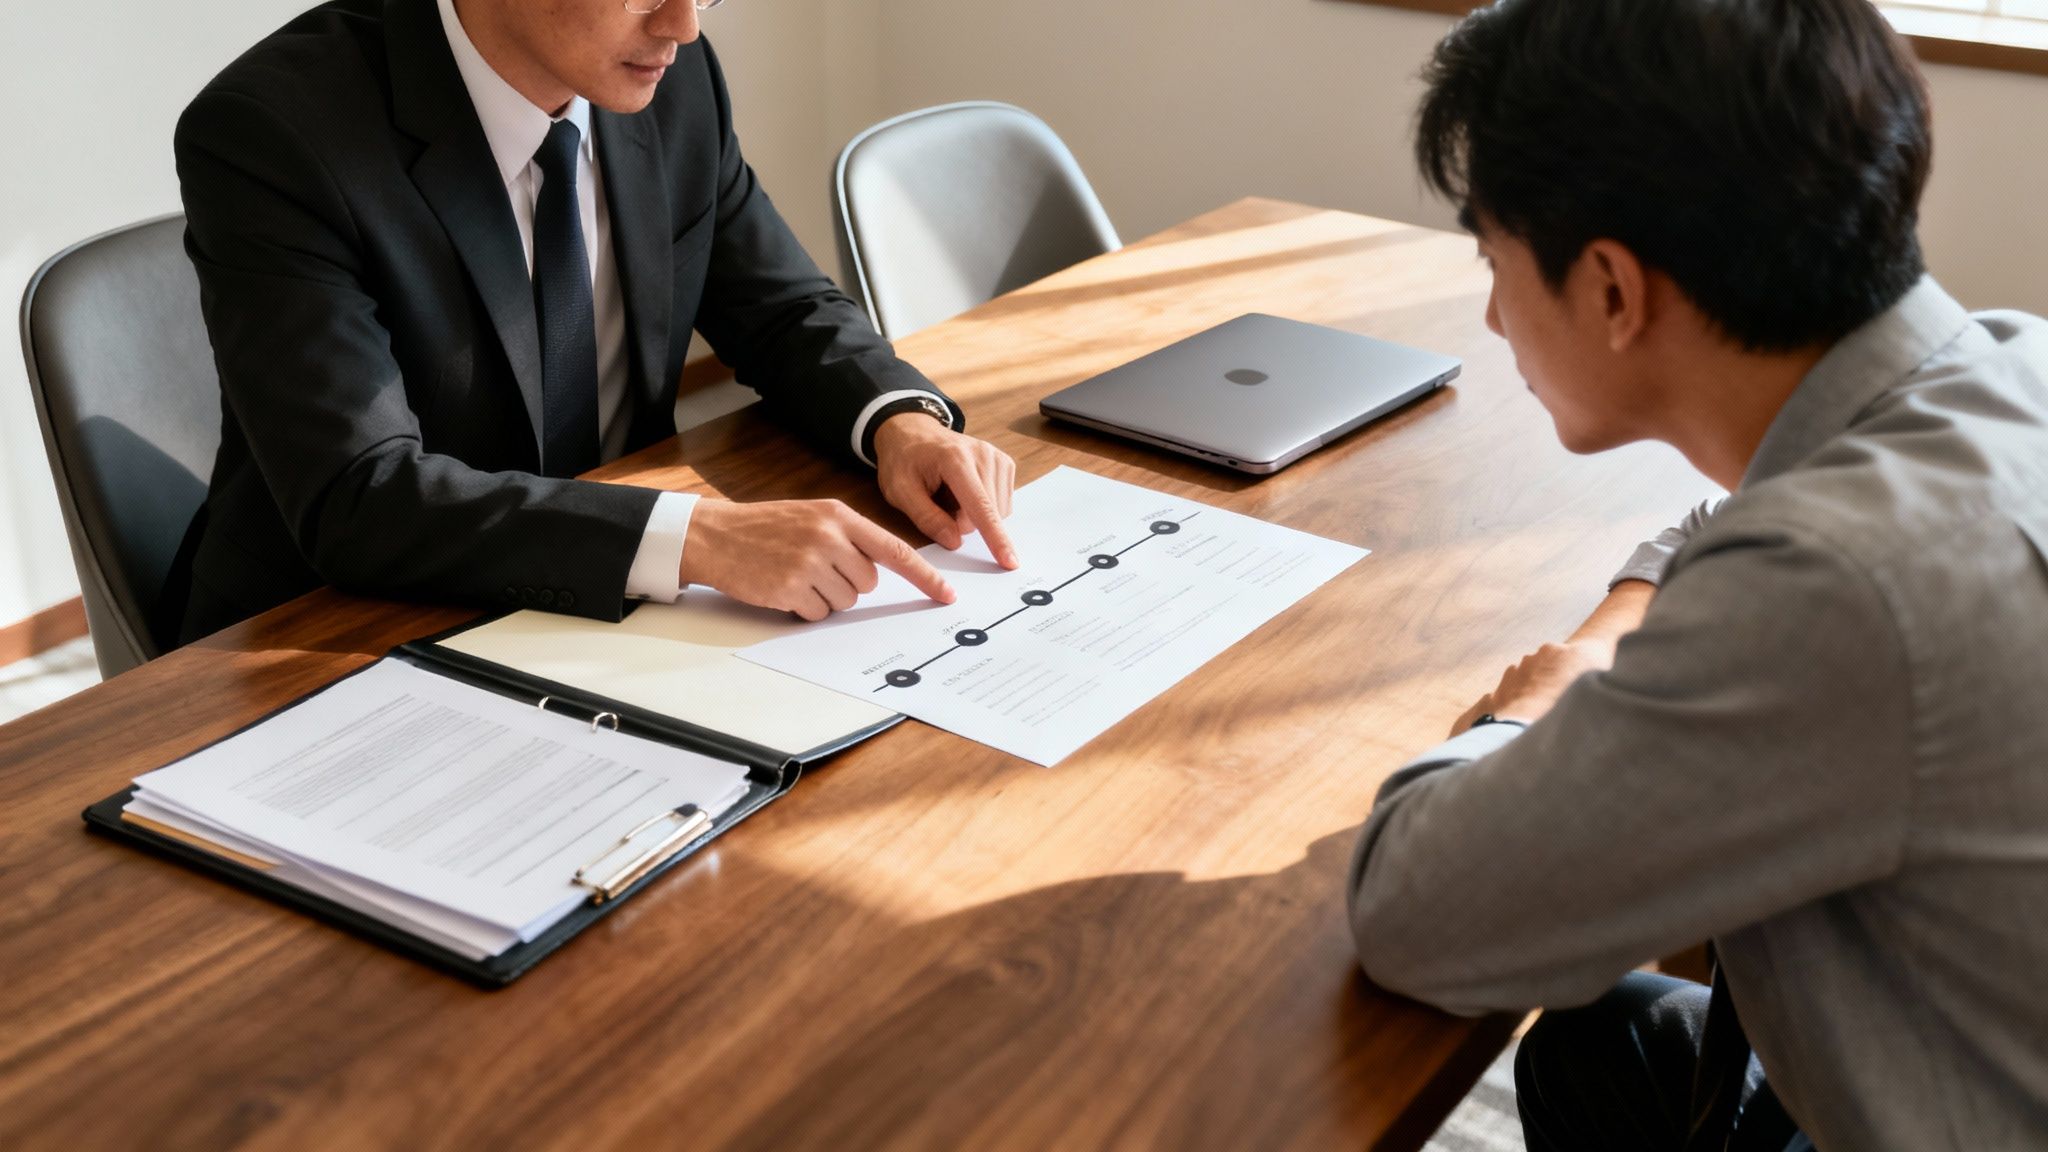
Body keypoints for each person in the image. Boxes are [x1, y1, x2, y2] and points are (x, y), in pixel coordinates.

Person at [1345, 1, 2048, 1149]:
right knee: (1601, 1041)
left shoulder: (1833, 587)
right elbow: (1724, 519)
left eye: (1493, 261)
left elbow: (1410, 911)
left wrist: (1531, 708)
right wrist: (1607, 635)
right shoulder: (1999, 363)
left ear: (1613, 290)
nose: (1488, 312)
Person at [167, 0, 1020, 646]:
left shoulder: (673, 79)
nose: (683, 24)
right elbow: (362, 497)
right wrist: (700, 539)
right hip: (342, 633)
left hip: (611, 611)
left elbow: (784, 308)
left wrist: (900, 424)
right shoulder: (275, 132)